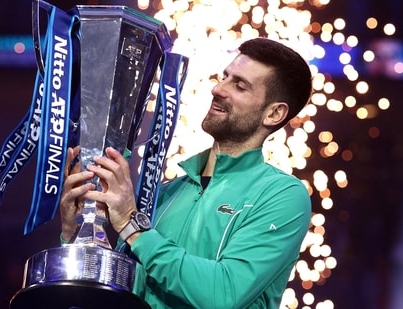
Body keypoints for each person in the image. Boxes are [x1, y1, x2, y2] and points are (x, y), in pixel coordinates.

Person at [59, 37, 313, 308]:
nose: (218, 89)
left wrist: (132, 226)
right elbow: (116, 293)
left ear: (274, 114)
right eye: (224, 77)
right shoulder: (168, 192)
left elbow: (223, 294)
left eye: (239, 86)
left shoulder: (282, 196)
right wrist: (77, 231)